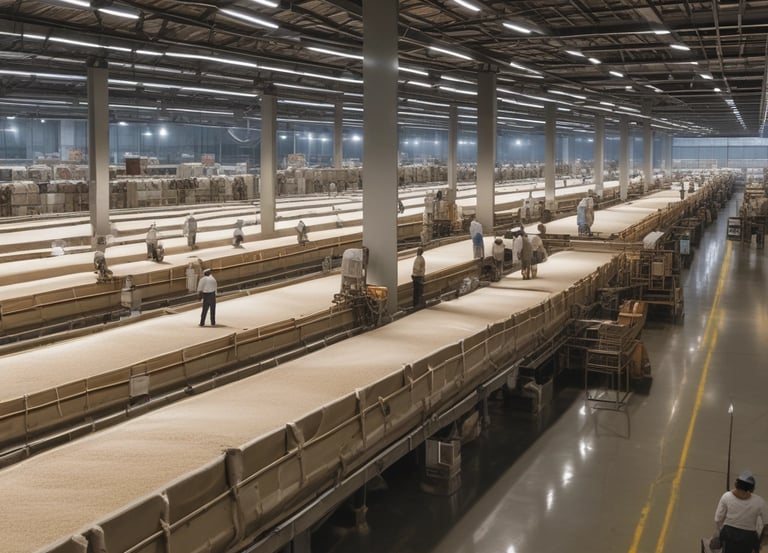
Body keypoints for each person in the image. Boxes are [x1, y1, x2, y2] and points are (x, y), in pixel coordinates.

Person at [714, 471, 767, 553]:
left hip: (728, 536)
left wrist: (720, 530)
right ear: (752, 488)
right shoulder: (759, 501)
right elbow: (766, 524)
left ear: (736, 484)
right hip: (749, 538)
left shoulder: (726, 497)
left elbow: (718, 519)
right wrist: (761, 541)